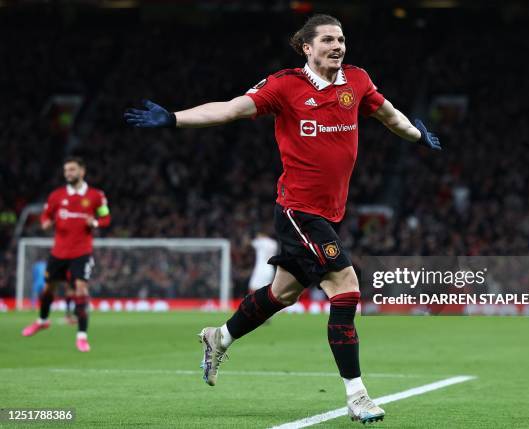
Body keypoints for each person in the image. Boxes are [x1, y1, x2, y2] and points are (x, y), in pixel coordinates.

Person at [124, 14, 440, 423]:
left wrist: (416, 135)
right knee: (346, 289)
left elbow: (389, 115)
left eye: (341, 39)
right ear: (307, 48)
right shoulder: (284, 85)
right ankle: (357, 394)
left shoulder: (357, 81)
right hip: (297, 211)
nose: (338, 45)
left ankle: (219, 337)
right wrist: (175, 118)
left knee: (282, 295)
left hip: (327, 212)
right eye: (327, 39)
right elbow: (232, 109)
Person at [21, 157, 111, 352]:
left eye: (72, 170)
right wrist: (45, 222)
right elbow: (46, 214)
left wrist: (94, 223)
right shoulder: (56, 196)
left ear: (82, 171)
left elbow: (105, 218)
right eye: (66, 171)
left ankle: (82, 336)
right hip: (59, 252)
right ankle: (42, 320)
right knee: (48, 290)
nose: (68, 174)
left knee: (81, 290)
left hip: (81, 252)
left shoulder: (96, 196)